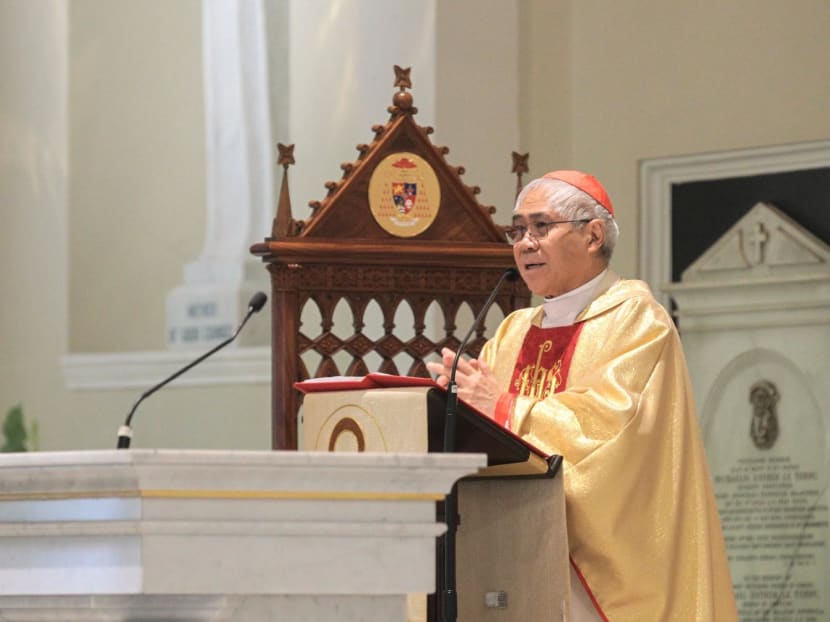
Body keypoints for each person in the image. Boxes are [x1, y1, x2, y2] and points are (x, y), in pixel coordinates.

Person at [426, 170, 738, 622]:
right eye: (517, 230)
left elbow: (612, 426)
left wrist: (503, 406)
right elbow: (485, 422)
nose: (525, 242)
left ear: (592, 235)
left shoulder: (636, 319)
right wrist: (452, 407)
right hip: (512, 552)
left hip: (597, 575)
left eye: (540, 226)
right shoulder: (514, 331)